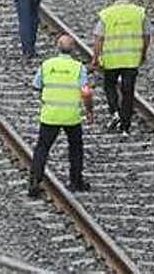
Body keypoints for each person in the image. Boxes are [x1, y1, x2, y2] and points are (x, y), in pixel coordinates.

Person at [27, 35, 93, 198]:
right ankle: (76, 181)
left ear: (57, 47)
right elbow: (85, 92)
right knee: (76, 148)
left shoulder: (47, 65)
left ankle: (35, 181)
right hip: (71, 116)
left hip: (50, 115)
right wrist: (90, 111)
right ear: (73, 49)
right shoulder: (79, 68)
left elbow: (36, 85)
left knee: (42, 147)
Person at [90, 0, 149, 134]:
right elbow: (147, 35)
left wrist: (96, 56)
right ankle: (125, 126)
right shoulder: (139, 13)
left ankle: (114, 112)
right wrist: (143, 53)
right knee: (128, 91)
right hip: (131, 59)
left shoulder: (107, 13)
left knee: (109, 86)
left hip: (111, 59)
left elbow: (98, 37)